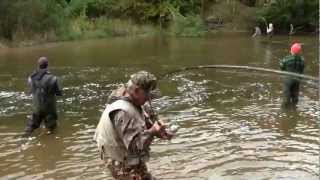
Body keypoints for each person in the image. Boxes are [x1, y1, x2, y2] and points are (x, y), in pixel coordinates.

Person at [94, 71, 173, 180]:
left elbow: (146, 115)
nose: (149, 99)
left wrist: (158, 130)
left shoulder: (128, 94)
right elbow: (134, 148)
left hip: (123, 152)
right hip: (120, 160)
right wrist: (152, 132)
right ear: (136, 91)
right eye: (147, 94)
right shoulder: (123, 112)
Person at [24, 57, 62, 136]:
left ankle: (23, 138)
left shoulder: (31, 78)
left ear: (38, 66)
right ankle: (49, 143)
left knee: (32, 126)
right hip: (49, 108)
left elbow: (29, 92)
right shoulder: (53, 78)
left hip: (37, 107)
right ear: (47, 65)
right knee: (52, 128)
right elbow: (59, 93)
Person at [280, 43, 304, 108]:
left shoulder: (286, 58)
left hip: (288, 79)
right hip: (297, 79)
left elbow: (281, 67)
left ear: (291, 50)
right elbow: (302, 69)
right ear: (300, 52)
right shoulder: (302, 59)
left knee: (286, 94)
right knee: (295, 94)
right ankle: (294, 108)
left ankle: (285, 109)